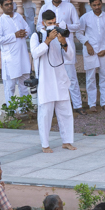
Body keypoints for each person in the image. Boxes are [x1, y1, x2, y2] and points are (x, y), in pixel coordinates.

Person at [27, 9, 77, 153]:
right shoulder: (36, 36)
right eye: (50, 23)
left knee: (66, 113)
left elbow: (70, 57)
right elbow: (35, 53)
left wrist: (64, 43)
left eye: (54, 22)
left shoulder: (61, 34)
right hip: (45, 81)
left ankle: (67, 141)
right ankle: (45, 145)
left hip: (60, 79)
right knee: (45, 114)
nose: (53, 25)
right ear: (43, 23)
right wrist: (48, 40)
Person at [79, 0, 105, 112]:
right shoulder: (85, 18)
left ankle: (104, 102)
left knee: (104, 76)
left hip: (104, 51)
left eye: (99, 4)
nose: (97, 7)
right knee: (90, 78)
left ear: (101, 3)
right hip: (90, 52)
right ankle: (92, 104)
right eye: (94, 5)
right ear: (90, 5)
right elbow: (79, 33)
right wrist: (87, 44)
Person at [0, 0, 31, 102]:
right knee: (10, 87)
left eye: (11, 4)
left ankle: (24, 108)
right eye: (6, 5)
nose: (9, 6)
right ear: (1, 6)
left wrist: (24, 33)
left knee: (24, 85)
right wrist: (14, 35)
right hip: (10, 60)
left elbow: (28, 28)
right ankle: (11, 110)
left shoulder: (18, 16)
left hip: (23, 57)